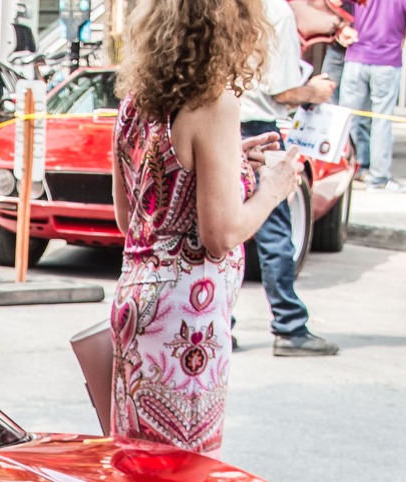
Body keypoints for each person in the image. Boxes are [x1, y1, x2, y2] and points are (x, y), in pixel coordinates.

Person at [109, 0, 300, 452]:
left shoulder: (135, 105)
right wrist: (272, 187)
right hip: (186, 319)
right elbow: (221, 235)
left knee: (137, 471)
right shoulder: (213, 102)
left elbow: (130, 217)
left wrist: (230, 164)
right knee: (183, 475)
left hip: (136, 301)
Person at [240, 0, 342, 357]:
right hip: (257, 127)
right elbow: (281, 92)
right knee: (274, 232)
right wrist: (312, 91)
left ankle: (222, 324)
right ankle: (289, 325)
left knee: (223, 232)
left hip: (221, 121)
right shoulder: (276, 13)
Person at [340, 0, 406, 191]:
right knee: (381, 121)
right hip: (386, 61)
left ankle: (349, 167)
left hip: (355, 58)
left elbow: (335, 4)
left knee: (350, 118)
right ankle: (378, 176)